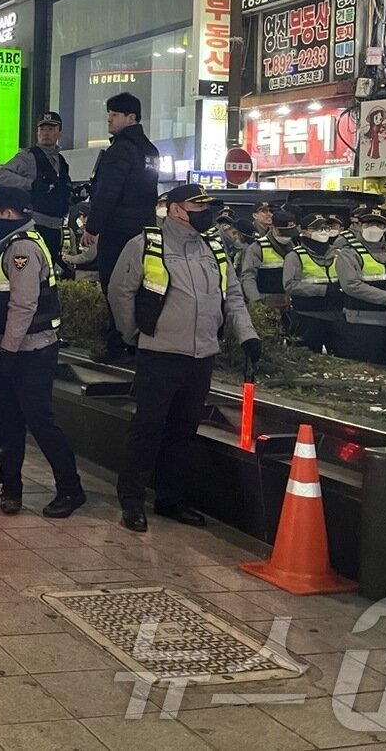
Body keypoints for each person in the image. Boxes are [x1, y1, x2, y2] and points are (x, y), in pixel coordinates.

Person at [108, 184, 260, 533]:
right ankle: (131, 500)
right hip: (160, 354)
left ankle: (171, 499)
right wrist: (135, 334)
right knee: (147, 428)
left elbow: (232, 295)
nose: (204, 211)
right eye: (197, 204)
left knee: (183, 432)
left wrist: (248, 335)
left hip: (201, 355)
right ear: (176, 209)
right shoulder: (146, 244)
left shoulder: (214, 246)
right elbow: (120, 292)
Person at [0, 186, 86, 518]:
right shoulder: (18, 241)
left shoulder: (21, 248)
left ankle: (70, 488)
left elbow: (23, 305)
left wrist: (8, 352)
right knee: (10, 421)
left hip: (29, 351)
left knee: (40, 421)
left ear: (8, 213)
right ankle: (10, 488)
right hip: (20, 348)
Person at [81, 93, 160, 359]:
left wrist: (92, 227)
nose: (109, 120)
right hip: (144, 231)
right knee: (140, 287)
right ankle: (141, 342)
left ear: (131, 117)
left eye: (114, 115)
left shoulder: (120, 150)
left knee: (114, 287)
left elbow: (108, 192)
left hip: (118, 231)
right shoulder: (151, 150)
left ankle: (118, 343)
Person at [0, 112, 71, 264]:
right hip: (36, 224)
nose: (45, 133)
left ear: (60, 132)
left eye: (51, 128)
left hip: (56, 227)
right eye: (42, 129)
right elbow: (0, 175)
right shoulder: (28, 157)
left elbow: (60, 192)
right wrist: (30, 184)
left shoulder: (61, 160)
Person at [333, 211, 386, 367]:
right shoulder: (349, 252)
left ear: (385, 227)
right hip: (361, 324)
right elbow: (351, 285)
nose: (373, 228)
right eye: (368, 224)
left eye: (378, 224)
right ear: (360, 226)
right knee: (362, 371)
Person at [283, 214, 344, 355]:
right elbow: (290, 285)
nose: (323, 232)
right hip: (307, 317)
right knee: (306, 362)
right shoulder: (295, 256)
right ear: (304, 232)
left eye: (326, 228)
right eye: (317, 228)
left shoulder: (338, 254)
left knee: (341, 361)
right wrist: (324, 290)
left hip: (336, 316)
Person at [241, 210, 298, 322]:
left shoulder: (293, 247)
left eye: (290, 233)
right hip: (266, 304)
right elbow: (248, 277)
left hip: (290, 306)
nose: (287, 237)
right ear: (273, 228)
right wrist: (256, 302)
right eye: (284, 233)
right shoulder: (257, 248)